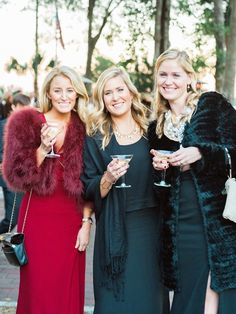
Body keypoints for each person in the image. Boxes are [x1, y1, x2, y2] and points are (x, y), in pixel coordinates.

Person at [148, 48, 236, 314]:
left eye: (176, 74)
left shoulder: (211, 105)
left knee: (215, 290)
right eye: (163, 74)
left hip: (215, 220)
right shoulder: (157, 127)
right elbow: (159, 189)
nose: (168, 81)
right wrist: (159, 168)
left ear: (189, 78)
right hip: (178, 226)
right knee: (188, 295)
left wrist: (202, 153)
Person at [2, 66, 93, 314]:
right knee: (39, 288)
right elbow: (14, 176)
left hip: (72, 221)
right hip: (38, 219)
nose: (64, 96)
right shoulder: (26, 121)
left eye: (70, 90)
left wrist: (87, 223)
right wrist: (42, 149)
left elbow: (90, 182)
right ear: (49, 93)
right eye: (58, 90)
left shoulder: (86, 128)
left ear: (78, 94)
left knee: (66, 287)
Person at [81, 66, 169, 314]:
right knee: (113, 304)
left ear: (131, 93)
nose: (115, 97)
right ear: (102, 99)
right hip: (114, 230)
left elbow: (168, 179)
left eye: (120, 89)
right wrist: (108, 177)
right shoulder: (96, 138)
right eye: (108, 92)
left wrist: (164, 168)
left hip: (151, 230)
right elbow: (87, 187)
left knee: (149, 301)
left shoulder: (153, 132)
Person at [0, 93, 31, 234]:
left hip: (22, 176)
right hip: (8, 175)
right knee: (12, 218)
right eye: (22, 107)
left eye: (27, 106)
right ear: (13, 106)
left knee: (19, 215)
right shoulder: (4, 125)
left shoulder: (27, 126)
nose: (25, 110)